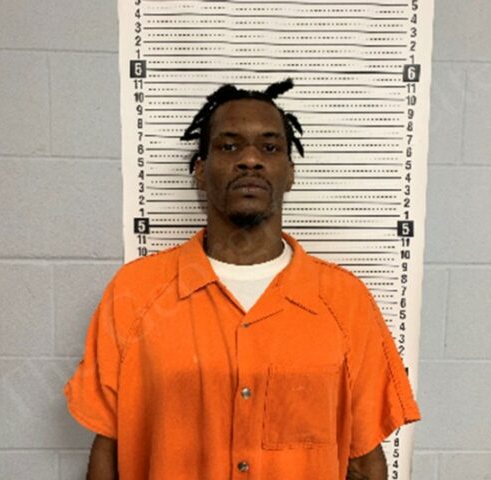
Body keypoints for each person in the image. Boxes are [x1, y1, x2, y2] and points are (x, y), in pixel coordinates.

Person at [63, 79, 421, 480]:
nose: (250, 159)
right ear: (200, 171)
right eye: (229, 146)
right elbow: (107, 451)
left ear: (290, 173)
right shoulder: (135, 292)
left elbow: (364, 461)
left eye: (270, 147)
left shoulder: (344, 300)